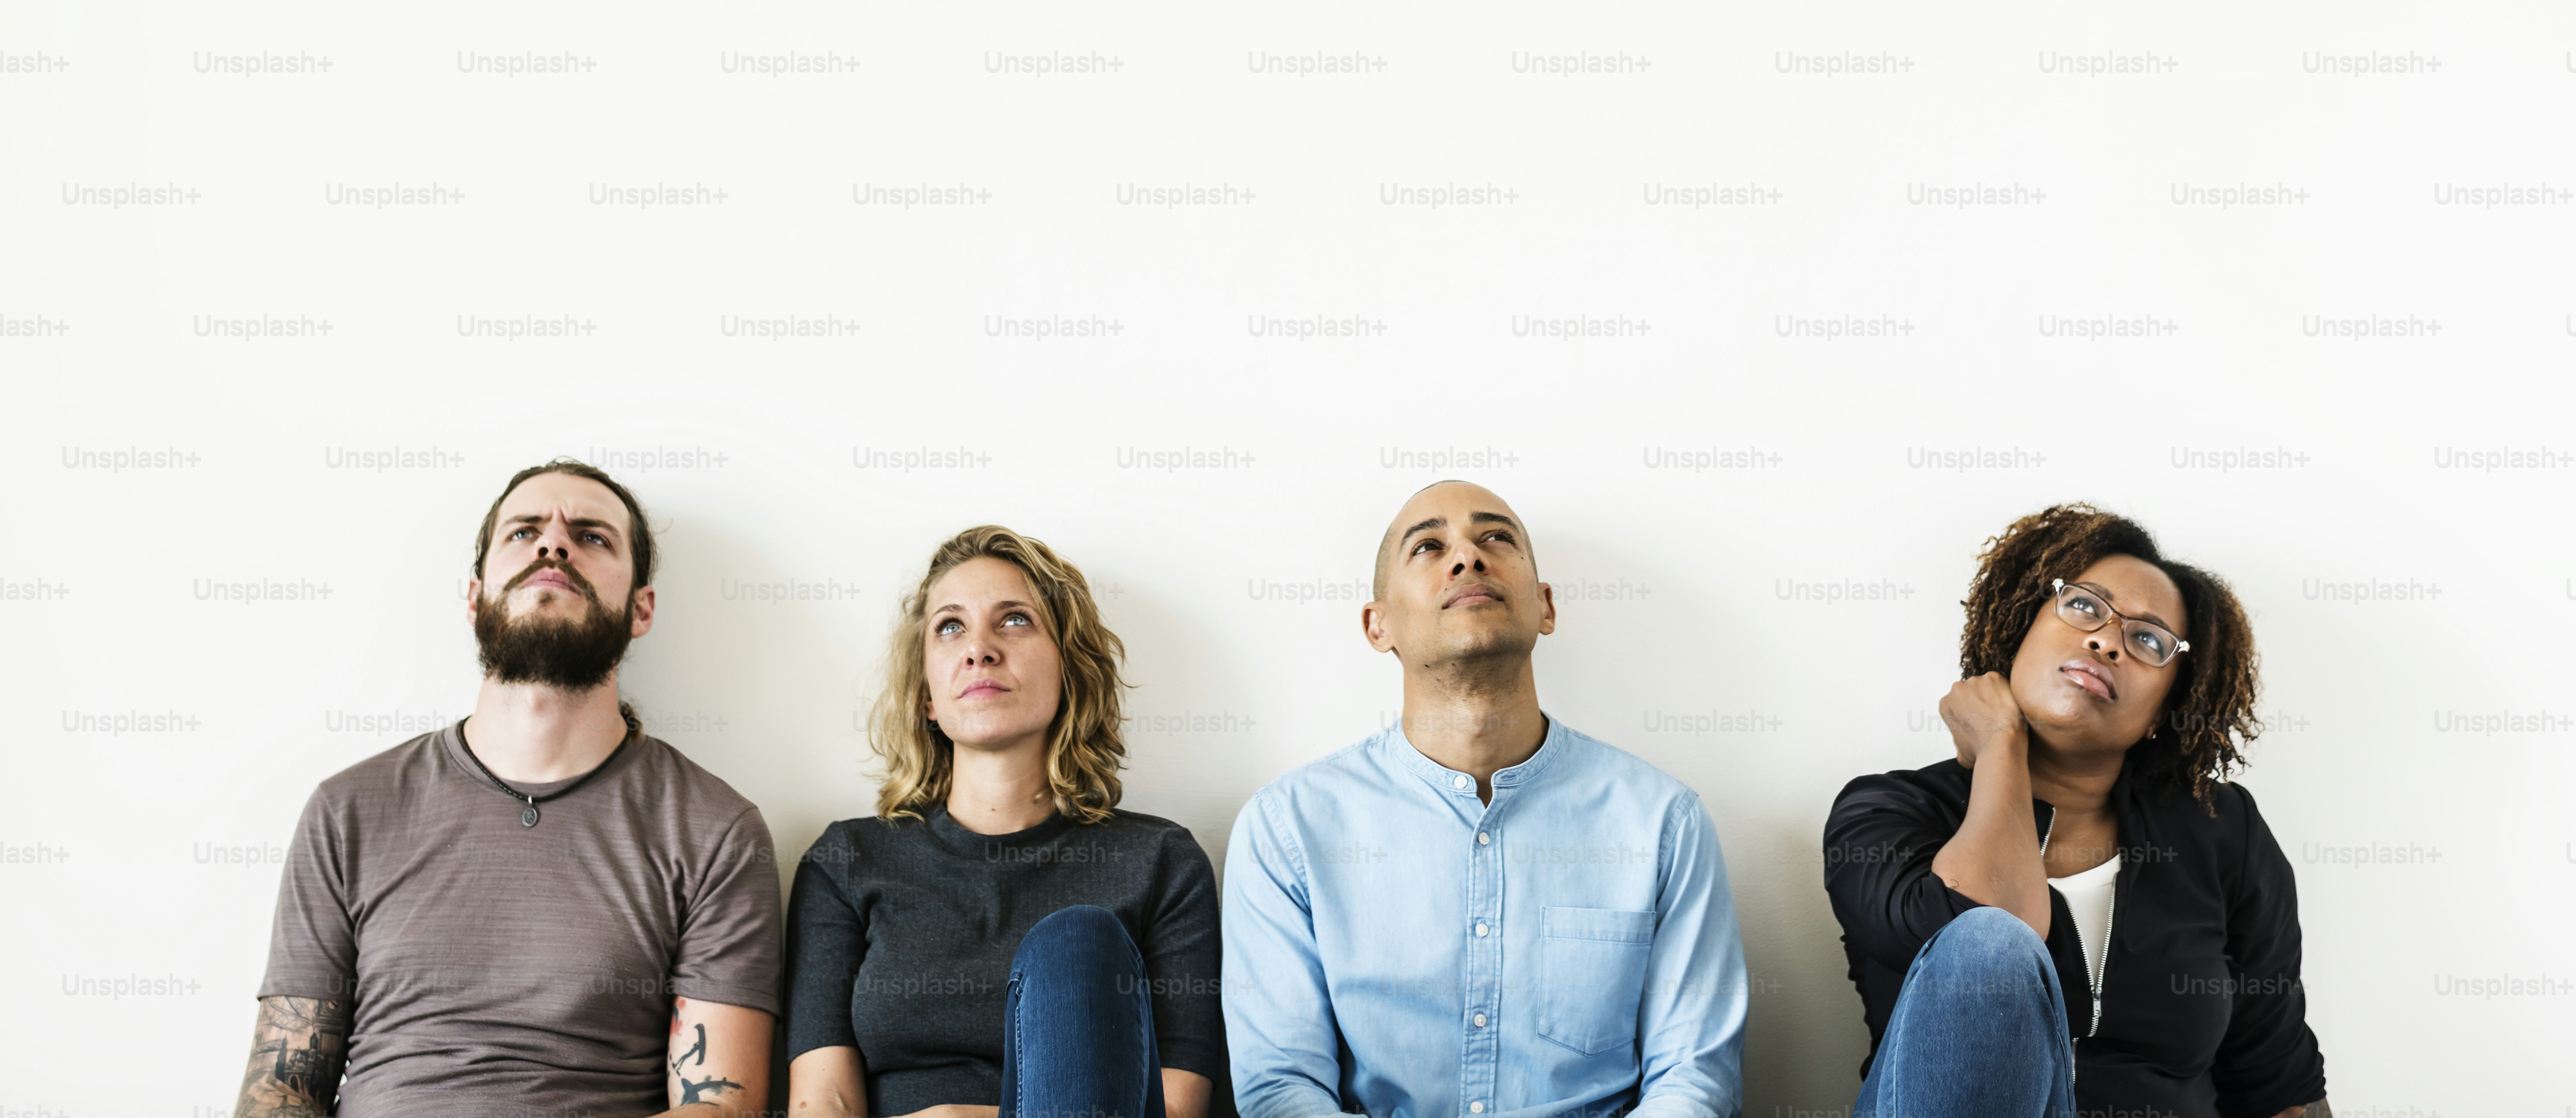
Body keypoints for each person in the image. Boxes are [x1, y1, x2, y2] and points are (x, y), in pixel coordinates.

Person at [235, 460, 781, 1118]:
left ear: (642, 609)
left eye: (592, 536)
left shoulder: (715, 830)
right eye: (524, 532)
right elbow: (280, 1091)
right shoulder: (348, 810)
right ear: (475, 598)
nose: (554, 545)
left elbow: (720, 1108)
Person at [1223, 480, 1750, 1118]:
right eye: (1427, 547)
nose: (1468, 557)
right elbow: (1282, 1090)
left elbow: (1693, 1082)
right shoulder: (1289, 830)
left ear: (1546, 607)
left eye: (1496, 538)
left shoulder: (1662, 823)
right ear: (1377, 624)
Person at [1822, 503, 2330, 1118]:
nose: (2107, 640)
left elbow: (2277, 1081)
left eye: (2148, 640)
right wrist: (2001, 743)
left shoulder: (2223, 833)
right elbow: (1994, 928)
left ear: (2167, 708)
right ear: (2020, 629)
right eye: (2085, 606)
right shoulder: (1891, 811)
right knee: (1989, 943)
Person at [784, 526, 1223, 1118]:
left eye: (1014, 620)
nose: (979, 649)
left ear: (1070, 667)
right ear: (927, 697)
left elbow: (1177, 1101)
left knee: (1078, 943)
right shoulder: (846, 861)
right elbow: (823, 1101)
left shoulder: (1159, 862)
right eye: (951, 626)